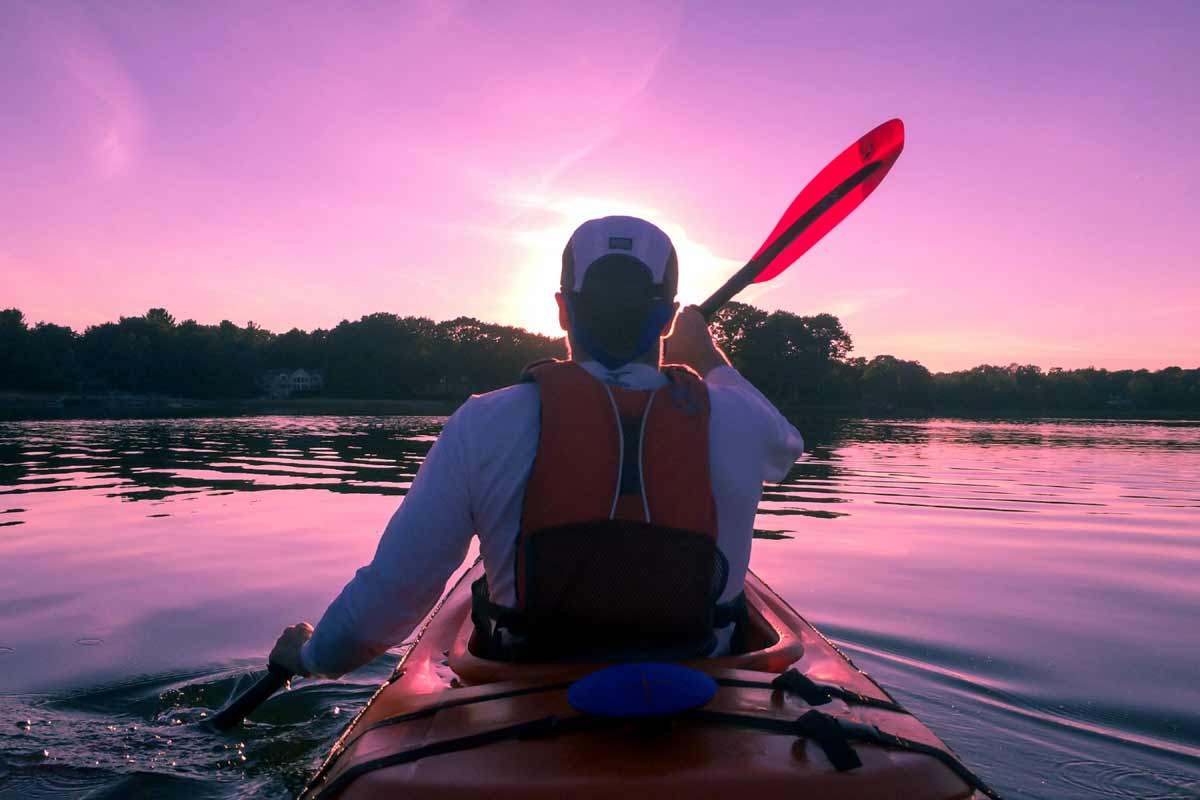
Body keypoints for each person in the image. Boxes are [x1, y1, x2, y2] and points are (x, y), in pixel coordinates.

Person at [269, 216, 805, 676]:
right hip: (703, 690)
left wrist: (309, 656)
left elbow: (383, 606)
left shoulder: (484, 422)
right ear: (666, 317)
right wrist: (706, 355)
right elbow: (787, 444)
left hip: (529, 688)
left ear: (562, 310)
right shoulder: (739, 419)